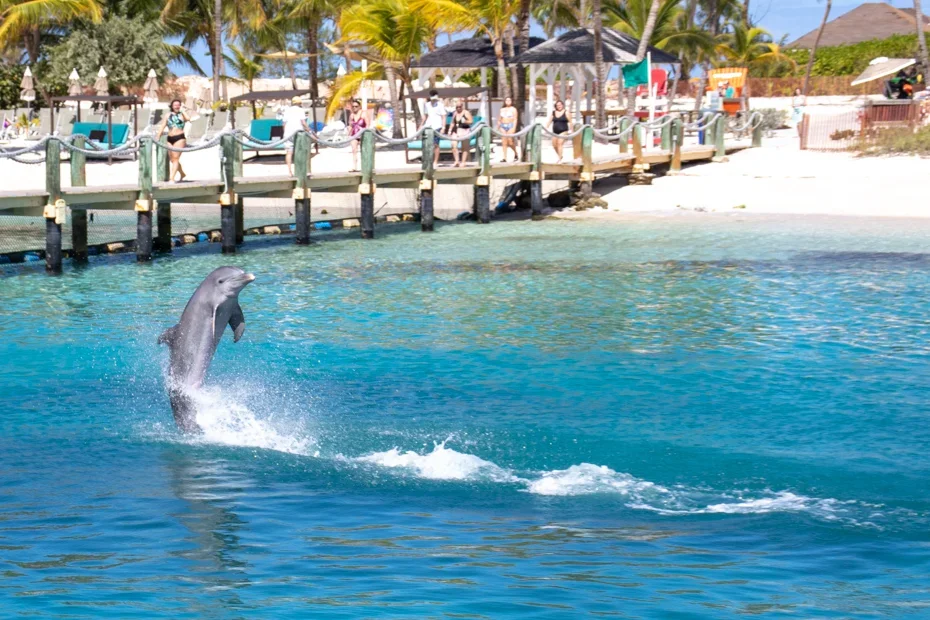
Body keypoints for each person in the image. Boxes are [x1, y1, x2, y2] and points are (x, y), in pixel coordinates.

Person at [156, 99, 190, 183]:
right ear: (172, 106)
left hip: (180, 138)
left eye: (178, 105)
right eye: (175, 105)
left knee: (175, 158)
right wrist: (158, 136)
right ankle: (182, 173)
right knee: (172, 159)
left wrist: (183, 110)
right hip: (170, 138)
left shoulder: (182, 115)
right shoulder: (168, 115)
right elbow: (162, 126)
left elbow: (189, 119)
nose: (177, 106)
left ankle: (172, 178)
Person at [282, 96, 310, 177]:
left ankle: (290, 172)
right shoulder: (301, 110)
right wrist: (309, 130)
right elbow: (303, 122)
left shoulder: (287, 110)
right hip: (299, 133)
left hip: (288, 133)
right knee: (301, 151)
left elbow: (284, 123)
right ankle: (301, 171)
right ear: (300, 103)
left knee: (289, 152)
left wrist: (285, 133)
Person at [420, 89, 446, 167]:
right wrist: (421, 125)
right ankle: (427, 161)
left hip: (437, 126)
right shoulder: (427, 105)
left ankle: (435, 161)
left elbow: (443, 116)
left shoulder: (440, 105)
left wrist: (443, 127)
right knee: (427, 144)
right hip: (428, 126)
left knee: (436, 144)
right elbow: (426, 116)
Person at [448, 99, 473, 167]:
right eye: (457, 107)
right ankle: (456, 161)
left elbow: (471, 121)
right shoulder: (455, 113)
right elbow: (453, 122)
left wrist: (464, 121)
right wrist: (450, 130)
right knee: (454, 145)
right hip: (456, 131)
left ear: (462, 106)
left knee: (465, 147)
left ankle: (463, 162)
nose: (458, 108)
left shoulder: (466, 112)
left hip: (464, 130)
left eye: (459, 106)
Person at [497, 96, 518, 163]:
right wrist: (498, 127)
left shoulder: (513, 109)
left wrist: (514, 127)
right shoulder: (502, 109)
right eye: (507, 100)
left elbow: (515, 119)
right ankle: (504, 157)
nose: (508, 102)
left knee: (510, 141)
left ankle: (515, 153)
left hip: (510, 125)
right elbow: (499, 119)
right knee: (504, 142)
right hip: (503, 125)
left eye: (509, 100)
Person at [348, 99, 367, 171]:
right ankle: (354, 167)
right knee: (354, 150)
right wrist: (348, 134)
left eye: (356, 106)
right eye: (353, 106)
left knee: (364, 150)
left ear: (359, 107)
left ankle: (365, 166)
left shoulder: (364, 114)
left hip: (362, 134)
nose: (354, 108)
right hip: (354, 135)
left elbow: (367, 124)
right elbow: (350, 125)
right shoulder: (352, 115)